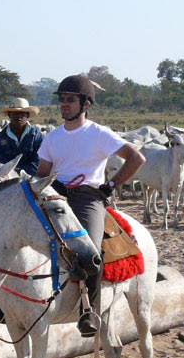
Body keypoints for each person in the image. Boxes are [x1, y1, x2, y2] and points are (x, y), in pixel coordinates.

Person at [36, 75, 145, 337]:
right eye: (62, 99)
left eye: (70, 99)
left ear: (85, 104)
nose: (64, 104)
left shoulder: (98, 133)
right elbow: (42, 175)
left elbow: (136, 158)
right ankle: (9, 305)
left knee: (91, 252)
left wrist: (110, 186)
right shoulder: (52, 137)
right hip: (56, 195)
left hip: (87, 198)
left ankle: (89, 311)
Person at [0, 97, 44, 176]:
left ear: (27, 115)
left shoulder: (38, 137)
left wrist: (15, 172)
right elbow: (0, 166)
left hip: (32, 181)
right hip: (8, 183)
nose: (19, 116)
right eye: (14, 113)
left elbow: (37, 165)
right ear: (9, 115)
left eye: (22, 113)